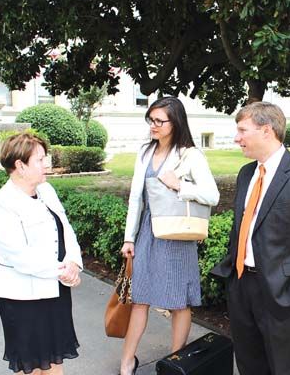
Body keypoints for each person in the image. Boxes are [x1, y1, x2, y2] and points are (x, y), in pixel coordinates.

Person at [211, 102, 290, 375]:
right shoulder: (246, 174)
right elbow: (242, 228)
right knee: (249, 366)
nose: (236, 138)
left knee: (285, 369)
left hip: (282, 293)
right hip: (241, 286)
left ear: (266, 130)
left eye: (242, 130)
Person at [120, 96, 219, 375]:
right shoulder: (145, 151)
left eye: (159, 121)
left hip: (177, 234)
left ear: (175, 122)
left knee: (179, 302)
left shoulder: (190, 154)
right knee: (140, 298)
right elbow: (136, 198)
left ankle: (176, 364)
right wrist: (129, 237)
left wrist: (180, 186)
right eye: (150, 120)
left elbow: (212, 195)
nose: (153, 125)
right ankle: (127, 361)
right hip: (148, 231)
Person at [0, 132, 83, 375]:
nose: (46, 164)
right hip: (22, 297)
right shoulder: (1, 203)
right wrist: (63, 272)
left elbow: (66, 229)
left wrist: (73, 263)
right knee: (31, 367)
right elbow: (19, 256)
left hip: (55, 290)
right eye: (39, 160)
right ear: (20, 166)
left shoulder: (46, 190)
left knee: (55, 360)